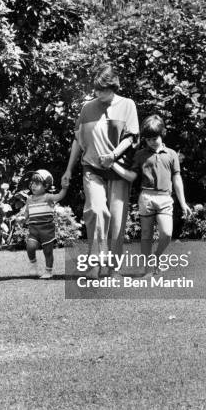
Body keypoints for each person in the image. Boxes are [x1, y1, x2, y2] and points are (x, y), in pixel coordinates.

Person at [61, 65, 139, 277]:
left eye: (102, 90)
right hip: (92, 167)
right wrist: (68, 169)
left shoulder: (127, 105)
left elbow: (131, 137)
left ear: (113, 87)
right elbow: (78, 139)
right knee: (95, 211)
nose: (97, 94)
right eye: (96, 89)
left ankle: (113, 268)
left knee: (117, 219)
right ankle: (95, 264)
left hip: (118, 169)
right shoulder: (87, 108)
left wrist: (113, 156)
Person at [111, 114, 192, 273]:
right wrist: (113, 165)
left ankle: (156, 257)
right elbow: (132, 176)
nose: (152, 142)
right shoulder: (140, 155)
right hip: (146, 198)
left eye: (155, 138)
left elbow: (177, 179)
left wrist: (183, 203)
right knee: (146, 235)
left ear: (162, 134)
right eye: (148, 140)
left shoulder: (171, 154)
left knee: (167, 233)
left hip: (165, 198)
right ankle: (147, 268)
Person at [22, 169, 68, 279]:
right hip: (34, 230)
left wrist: (64, 188)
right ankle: (33, 266)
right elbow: (27, 213)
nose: (33, 185)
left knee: (48, 252)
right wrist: (23, 219)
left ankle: (48, 271)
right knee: (30, 247)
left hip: (47, 230)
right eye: (32, 183)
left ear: (46, 186)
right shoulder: (29, 199)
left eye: (37, 183)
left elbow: (59, 196)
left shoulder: (48, 197)